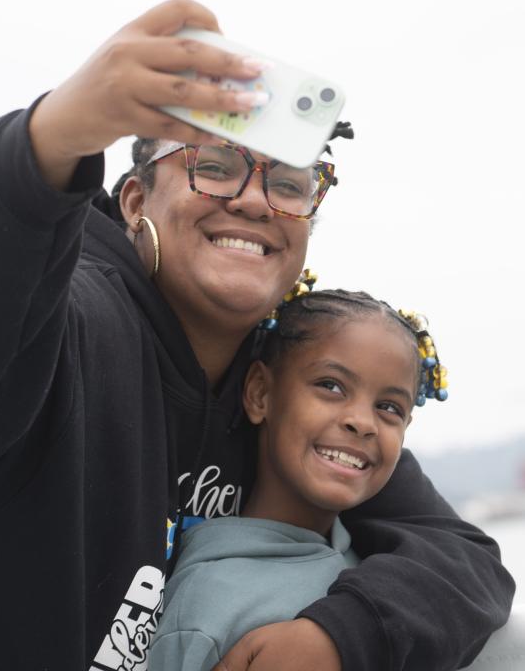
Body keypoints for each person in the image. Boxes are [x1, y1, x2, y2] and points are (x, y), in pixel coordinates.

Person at [0, 0, 514, 670]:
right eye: (212, 167)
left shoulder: (279, 385)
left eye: (290, 183)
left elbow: (463, 560)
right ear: (134, 202)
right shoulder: (71, 325)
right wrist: (52, 136)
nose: (251, 199)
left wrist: (338, 635)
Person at [150, 286, 450, 671]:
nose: (361, 422)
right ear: (260, 393)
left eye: (389, 407)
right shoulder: (206, 608)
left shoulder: (384, 565)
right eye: (331, 386)